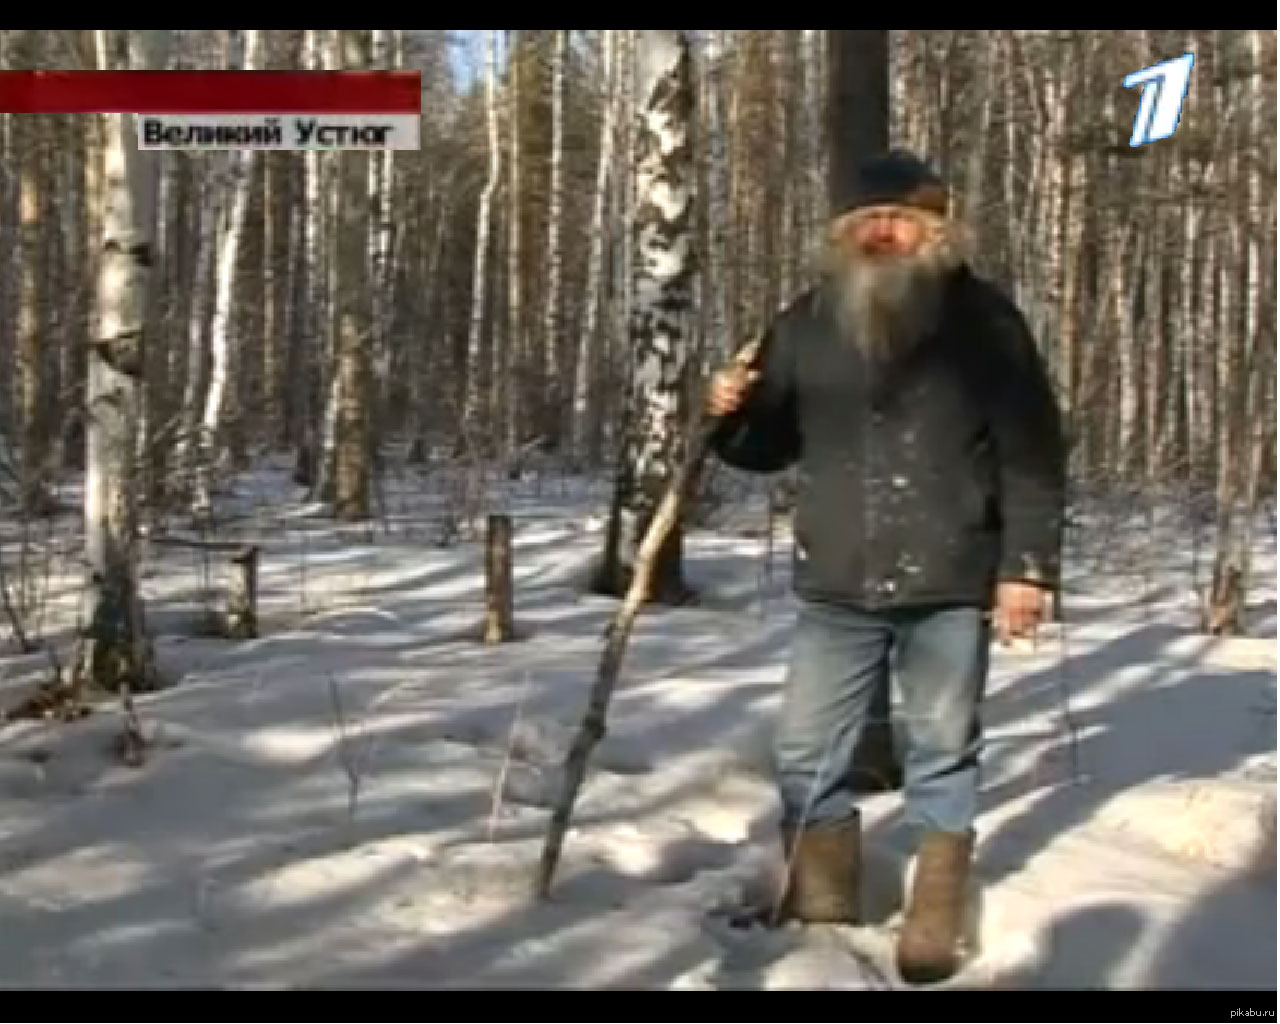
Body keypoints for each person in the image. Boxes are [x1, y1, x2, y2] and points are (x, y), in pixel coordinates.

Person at [706, 150, 1066, 985]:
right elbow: (768, 447)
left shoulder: (986, 326)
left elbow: (1033, 456)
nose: (882, 232)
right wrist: (730, 413)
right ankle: (824, 907)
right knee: (805, 748)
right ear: (842, 234)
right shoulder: (806, 322)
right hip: (837, 578)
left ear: (937, 231)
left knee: (943, 746)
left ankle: (934, 919)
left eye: (901, 219)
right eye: (865, 220)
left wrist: (1028, 568)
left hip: (950, 572)